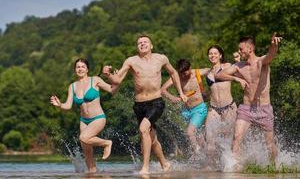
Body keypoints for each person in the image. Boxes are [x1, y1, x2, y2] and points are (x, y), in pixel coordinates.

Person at [102, 34, 187, 174]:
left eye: (145, 42)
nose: (142, 44)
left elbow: (174, 73)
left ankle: (145, 167)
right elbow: (117, 81)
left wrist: (181, 93)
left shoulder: (161, 58)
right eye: (139, 43)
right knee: (152, 140)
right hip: (139, 105)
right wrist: (108, 74)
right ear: (137, 47)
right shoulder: (131, 61)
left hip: (156, 102)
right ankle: (165, 165)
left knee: (143, 130)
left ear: (151, 45)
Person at [215, 33, 282, 170]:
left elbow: (271, 54)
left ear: (250, 48)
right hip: (246, 109)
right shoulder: (239, 66)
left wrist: (274, 45)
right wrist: (236, 79)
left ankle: (276, 166)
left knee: (269, 144)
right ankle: (233, 168)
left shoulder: (261, 62)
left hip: (264, 109)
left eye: (241, 49)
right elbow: (219, 75)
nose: (239, 52)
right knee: (237, 137)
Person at [50, 58, 116, 173]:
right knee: (87, 152)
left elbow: (112, 90)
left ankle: (107, 143)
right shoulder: (73, 86)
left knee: (83, 137)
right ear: (75, 70)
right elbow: (68, 105)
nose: (80, 69)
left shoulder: (95, 80)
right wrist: (59, 104)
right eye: (78, 67)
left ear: (87, 69)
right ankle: (92, 173)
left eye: (82, 66)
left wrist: (114, 79)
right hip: (84, 121)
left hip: (98, 118)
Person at [201, 45, 238, 169]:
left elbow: (241, 69)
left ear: (220, 55)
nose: (212, 55)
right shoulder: (208, 72)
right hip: (213, 109)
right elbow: (211, 89)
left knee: (230, 139)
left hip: (229, 108)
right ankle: (210, 167)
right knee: (210, 141)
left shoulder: (227, 66)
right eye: (210, 53)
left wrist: (238, 60)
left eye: (215, 53)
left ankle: (231, 165)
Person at [161, 59, 208, 153]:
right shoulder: (177, 77)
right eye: (180, 73)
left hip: (199, 108)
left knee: (189, 132)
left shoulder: (197, 73)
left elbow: (212, 70)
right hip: (186, 111)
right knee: (198, 136)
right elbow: (162, 90)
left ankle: (197, 155)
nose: (183, 75)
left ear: (190, 68)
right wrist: (172, 97)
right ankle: (207, 155)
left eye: (185, 72)